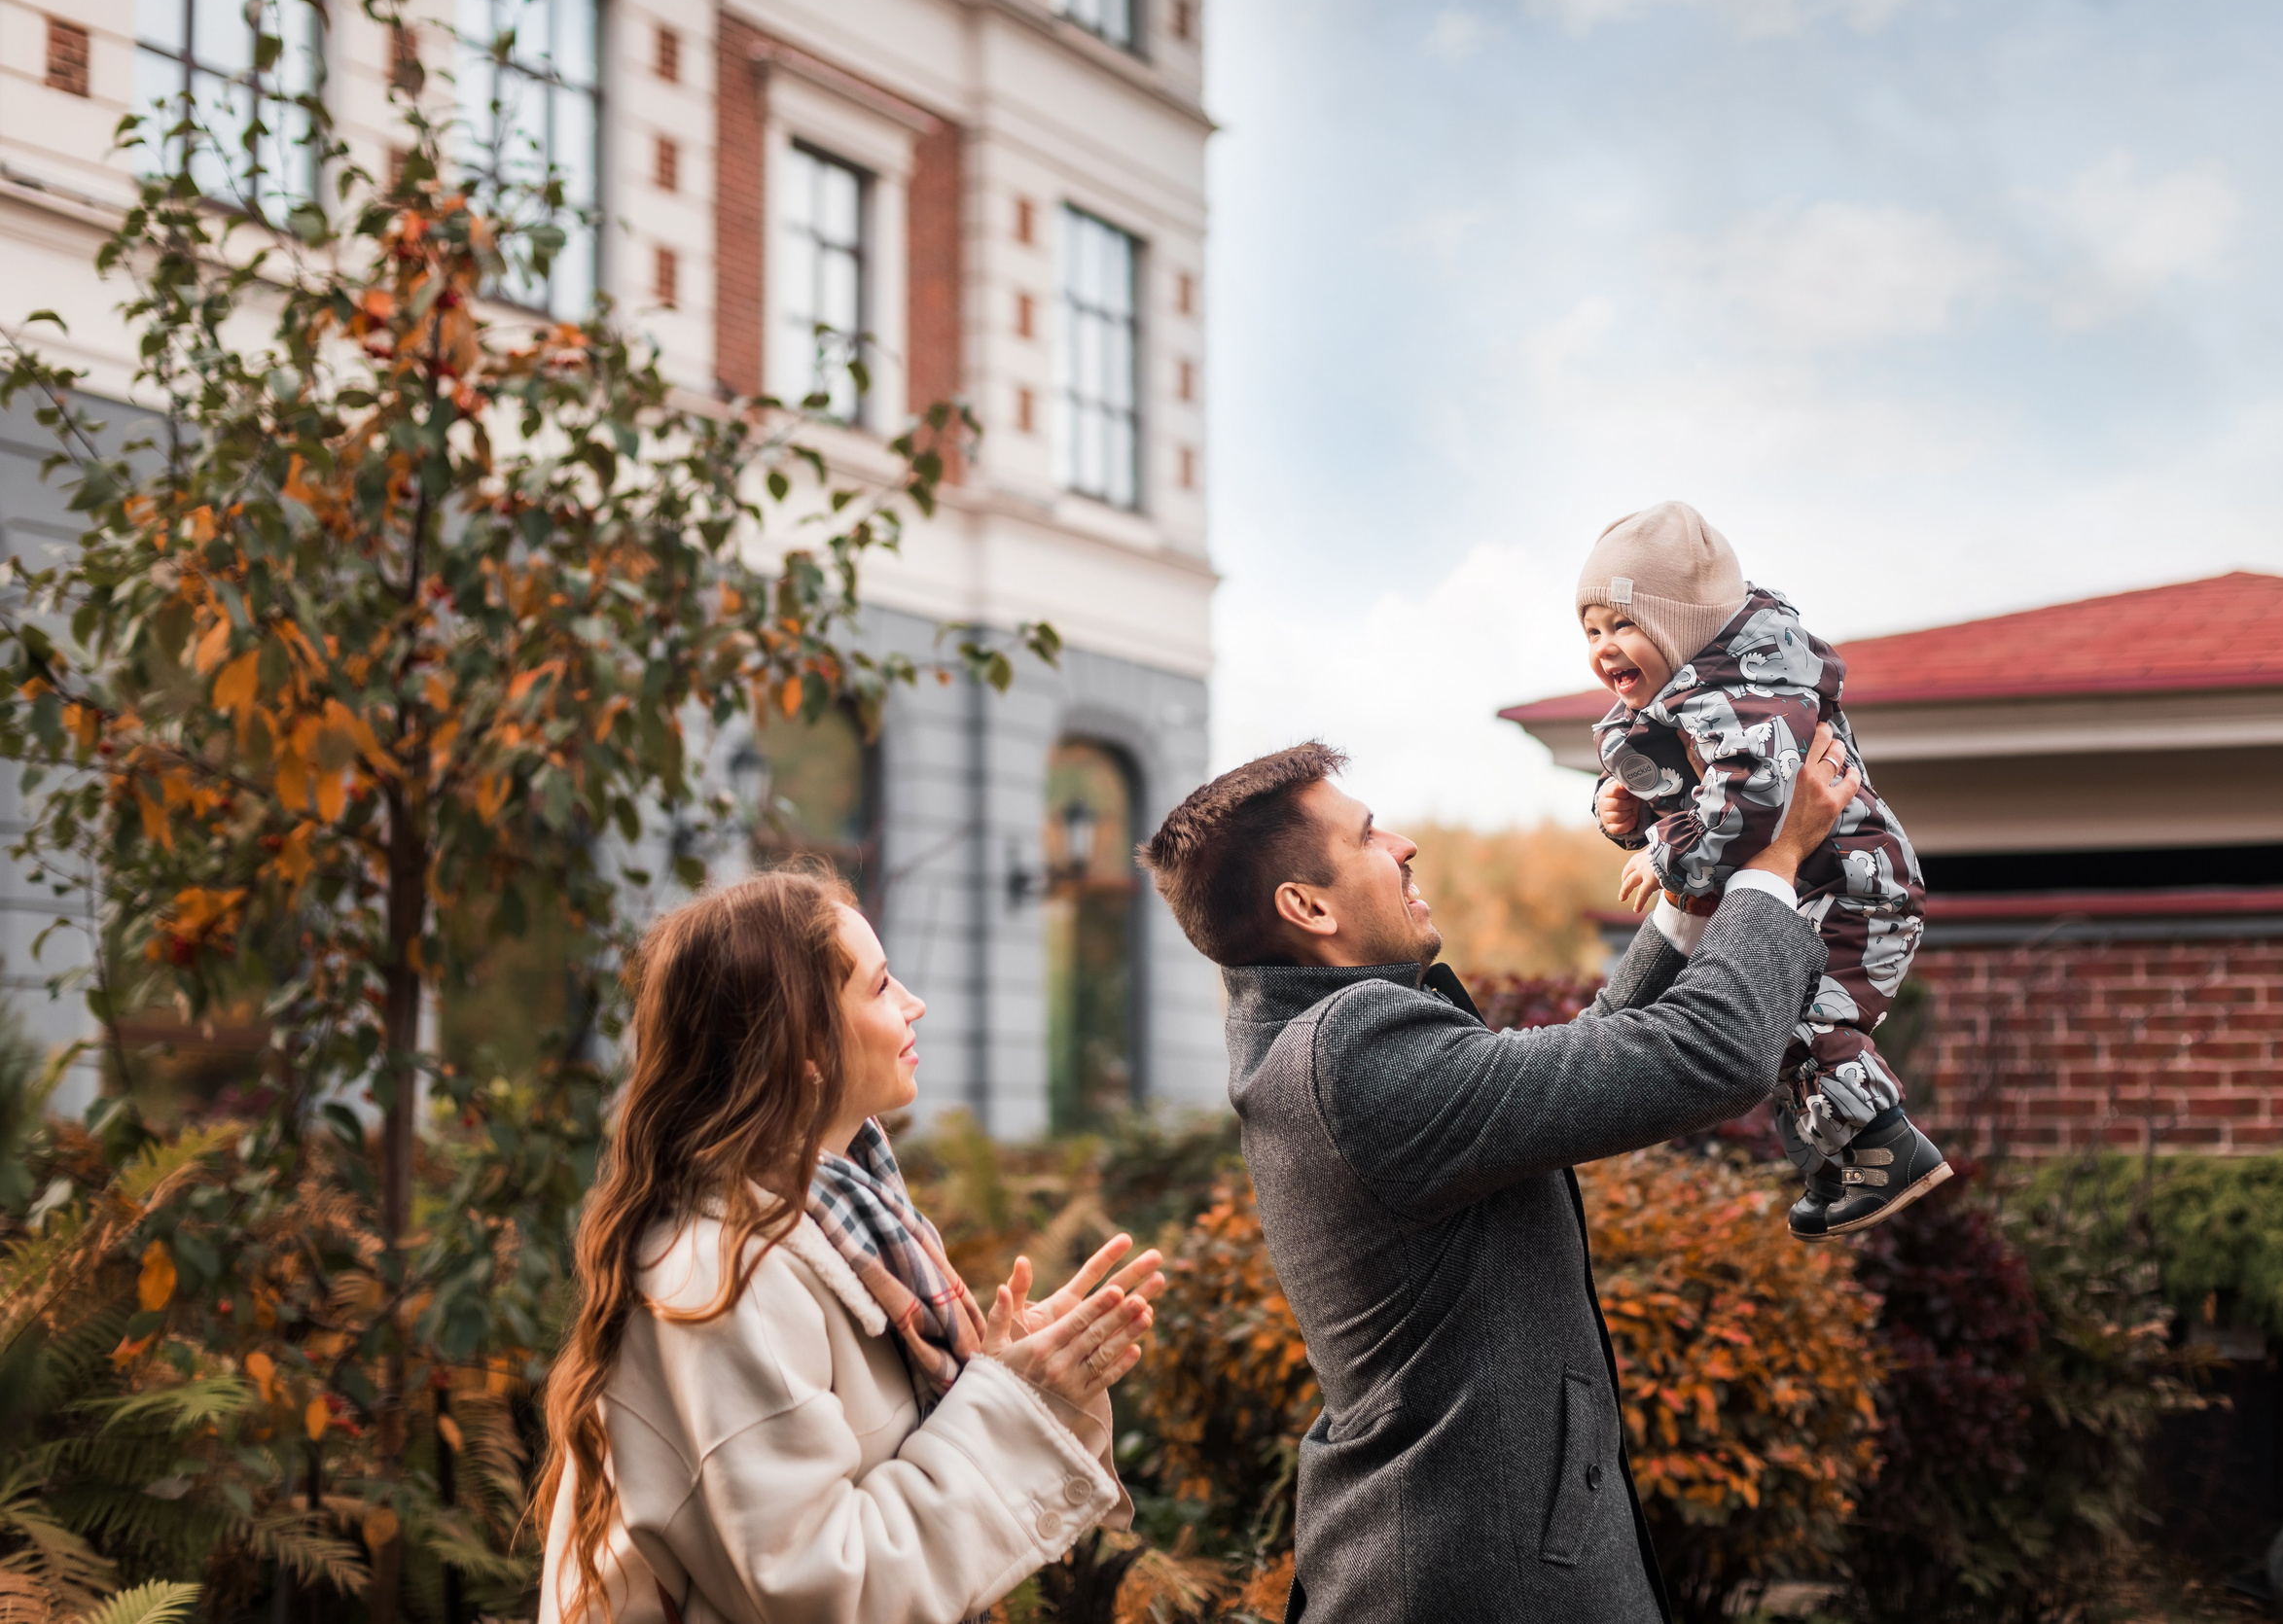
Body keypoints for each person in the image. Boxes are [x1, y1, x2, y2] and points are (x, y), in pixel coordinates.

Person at [1135, 735, 1858, 1624]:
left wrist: (1686, 907)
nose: (1401, 845)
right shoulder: (1350, 1052)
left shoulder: (1308, 1046)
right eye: (1366, 837)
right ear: (1306, 906)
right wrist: (1772, 864)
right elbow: (1708, 1056)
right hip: (1478, 1577)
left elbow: (1583, 1062)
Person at [532, 869, 1167, 1624]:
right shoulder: (729, 1274)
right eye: (881, 985)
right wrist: (1007, 1406)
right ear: (807, 1043)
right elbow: (824, 1591)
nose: (914, 1004)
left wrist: (1022, 1374)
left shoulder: (852, 1221)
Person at [1580, 500, 1951, 1238]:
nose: (1604, 646)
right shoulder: (1682, 703)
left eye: (1624, 625)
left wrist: (1670, 856)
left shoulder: (1748, 696)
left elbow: (1746, 798)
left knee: (1794, 1018)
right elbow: (1691, 789)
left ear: (1682, 625)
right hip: (1808, 884)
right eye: (1591, 630)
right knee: (1768, 1024)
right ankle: (1837, 1163)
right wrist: (1624, 807)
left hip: (1856, 887)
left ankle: (1886, 1146)